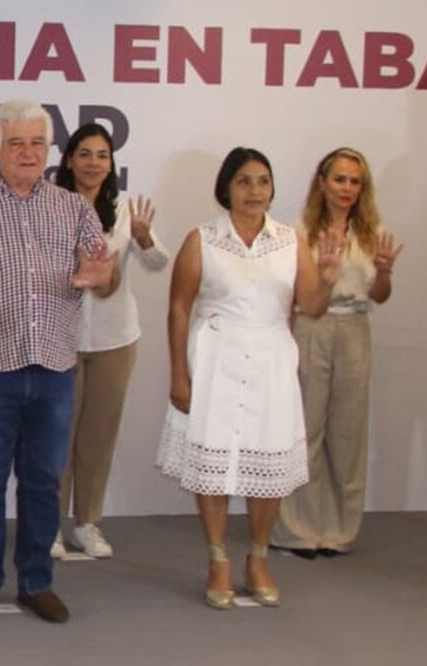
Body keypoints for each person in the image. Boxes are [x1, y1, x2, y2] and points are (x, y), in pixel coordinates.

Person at [0, 99, 118, 624]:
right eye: (16, 143)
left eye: (37, 142)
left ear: (49, 149)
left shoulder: (75, 209)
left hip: (54, 366)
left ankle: (36, 582)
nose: (28, 152)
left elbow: (104, 274)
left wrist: (105, 278)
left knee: (43, 481)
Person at [156, 147, 344, 610]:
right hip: (215, 357)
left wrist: (328, 278)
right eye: (244, 181)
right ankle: (218, 559)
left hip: (272, 360)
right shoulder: (202, 239)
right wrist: (179, 373)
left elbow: (311, 305)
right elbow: (179, 307)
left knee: (269, 465)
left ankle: (258, 559)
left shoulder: (289, 240)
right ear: (226, 189)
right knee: (213, 467)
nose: (255, 191)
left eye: (263, 181)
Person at [272, 148, 403, 558]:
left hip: (356, 329)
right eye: (340, 179)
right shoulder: (298, 232)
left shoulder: (371, 232)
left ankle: (338, 531)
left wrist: (383, 271)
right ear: (322, 181)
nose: (347, 188)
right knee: (306, 430)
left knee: (348, 433)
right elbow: (292, 292)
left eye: (355, 181)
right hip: (313, 325)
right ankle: (297, 530)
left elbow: (379, 296)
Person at [51, 123, 170, 558]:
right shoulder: (50, 206)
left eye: (102, 155)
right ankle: (49, 527)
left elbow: (158, 259)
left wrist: (142, 237)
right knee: (57, 437)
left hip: (114, 340)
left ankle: (86, 523)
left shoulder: (124, 211)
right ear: (68, 160)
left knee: (98, 436)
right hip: (59, 336)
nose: (93, 163)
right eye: (85, 154)